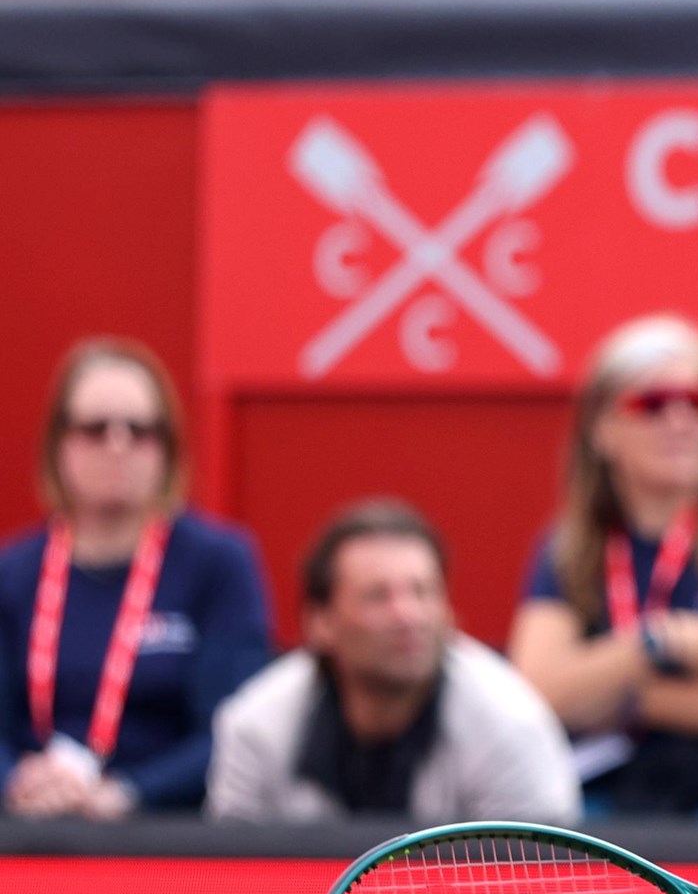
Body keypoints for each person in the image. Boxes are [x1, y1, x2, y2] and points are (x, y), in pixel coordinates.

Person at [508, 313, 698, 817]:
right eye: (652, 404)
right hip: (606, 794)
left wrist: (623, 697)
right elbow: (533, 696)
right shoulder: (571, 546)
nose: (681, 420)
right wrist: (653, 643)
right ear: (601, 431)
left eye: (696, 402)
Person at [0, 338, 272, 817]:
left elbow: (236, 730)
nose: (118, 445)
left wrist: (128, 793)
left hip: (166, 833)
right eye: (94, 428)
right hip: (30, 827)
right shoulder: (13, 574)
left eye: (141, 430)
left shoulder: (219, 564)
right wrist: (15, 782)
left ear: (168, 449)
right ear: (58, 444)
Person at [207, 498, 578, 823]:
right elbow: (227, 885)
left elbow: (539, 888)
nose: (408, 616)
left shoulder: (511, 727)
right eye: (377, 596)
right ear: (320, 622)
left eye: (422, 592)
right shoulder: (253, 728)